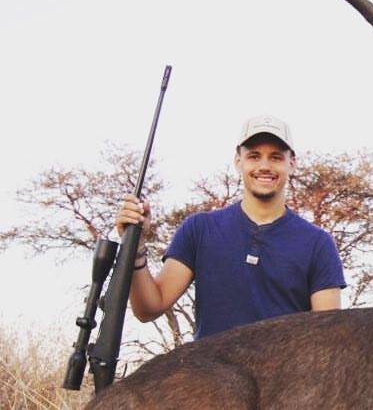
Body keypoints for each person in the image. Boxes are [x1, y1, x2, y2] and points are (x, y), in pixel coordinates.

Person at [116, 115, 346, 339]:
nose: (264, 166)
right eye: (254, 156)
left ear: (291, 164)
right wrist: (135, 247)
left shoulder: (318, 243)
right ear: (239, 161)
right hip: (208, 375)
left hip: (285, 377)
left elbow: (327, 340)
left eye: (276, 157)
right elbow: (149, 308)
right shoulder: (199, 229)